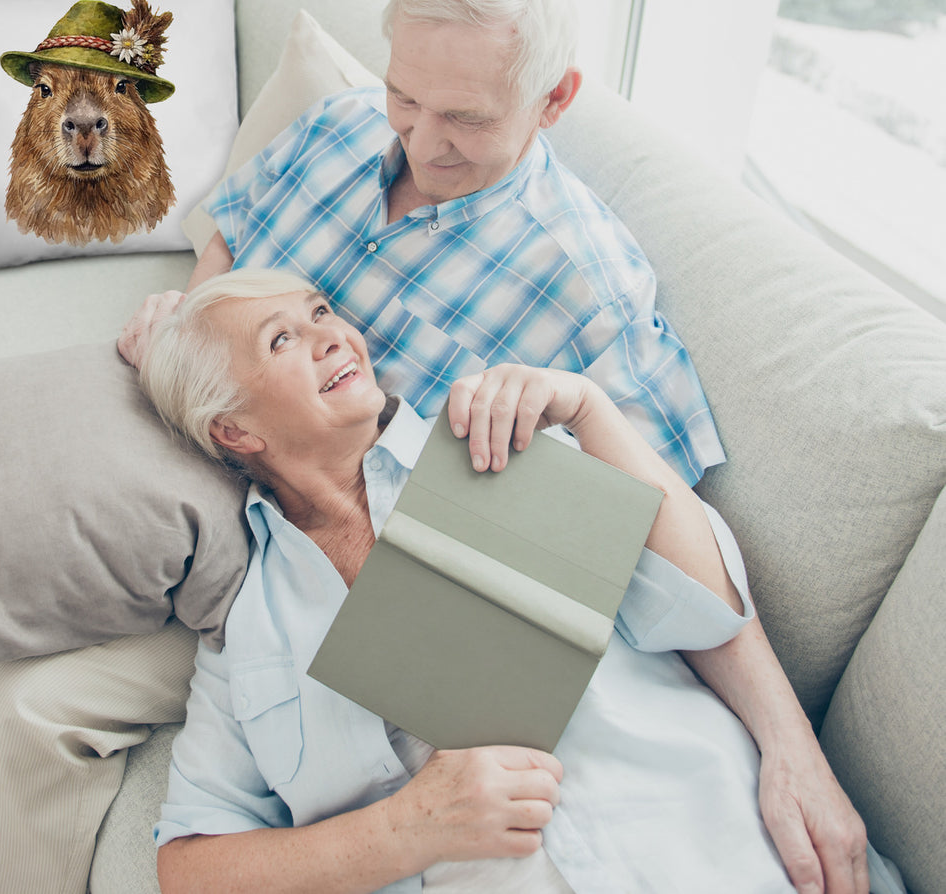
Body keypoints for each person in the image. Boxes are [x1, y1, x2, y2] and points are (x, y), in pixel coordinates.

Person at [120, 0, 868, 893]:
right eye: (406, 98)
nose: (421, 142)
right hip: (224, 516)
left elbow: (675, 564)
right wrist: (194, 338)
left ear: (554, 100)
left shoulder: (564, 336)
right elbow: (232, 230)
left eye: (464, 118)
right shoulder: (340, 130)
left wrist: (790, 747)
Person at [139, 268, 892, 894]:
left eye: (321, 312)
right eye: (282, 339)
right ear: (234, 430)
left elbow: (704, 609)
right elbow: (190, 867)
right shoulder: (249, 632)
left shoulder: (493, 441)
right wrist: (406, 829)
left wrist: (591, 411)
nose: (333, 335)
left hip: (717, 847)